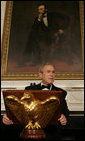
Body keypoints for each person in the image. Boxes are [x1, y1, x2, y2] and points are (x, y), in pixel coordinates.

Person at [3, 63, 69, 126]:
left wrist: (64, 117)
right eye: (48, 72)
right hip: (31, 128)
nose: (51, 74)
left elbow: (65, 112)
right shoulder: (29, 89)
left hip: (52, 131)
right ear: (40, 75)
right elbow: (21, 109)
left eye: (53, 72)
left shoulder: (61, 92)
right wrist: (8, 116)